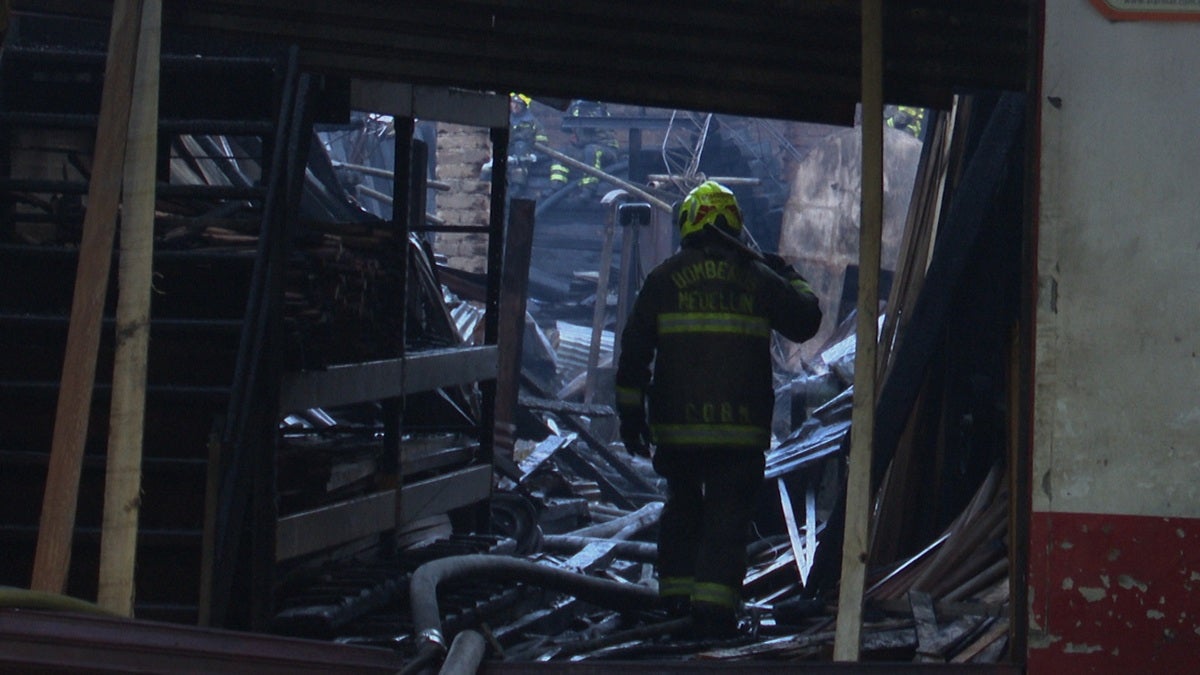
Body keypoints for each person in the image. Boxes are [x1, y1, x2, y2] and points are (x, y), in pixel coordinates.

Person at [615, 181, 822, 639]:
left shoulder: (664, 279)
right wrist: (783, 270)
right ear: (734, 225)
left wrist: (631, 415)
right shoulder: (758, 277)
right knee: (727, 517)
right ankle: (713, 616)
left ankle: (674, 603)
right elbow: (807, 319)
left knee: (682, 508)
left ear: (689, 221)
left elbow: (633, 352)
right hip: (738, 434)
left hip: (678, 433)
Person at [549, 99, 620, 203]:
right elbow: (565, 127)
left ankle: (588, 190)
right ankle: (556, 186)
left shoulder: (599, 111)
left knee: (591, 150)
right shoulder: (577, 109)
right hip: (584, 148)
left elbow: (591, 132)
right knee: (562, 152)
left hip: (606, 149)